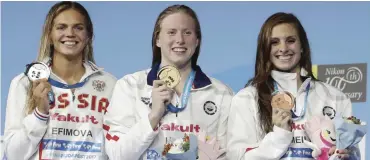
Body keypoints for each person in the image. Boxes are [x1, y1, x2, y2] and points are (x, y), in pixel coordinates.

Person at [103, 4, 233, 160]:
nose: (180, 40)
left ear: (197, 40)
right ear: (157, 39)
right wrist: (153, 116)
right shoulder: (130, 86)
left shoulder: (221, 93)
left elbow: (228, 155)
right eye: (171, 32)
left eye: (187, 33)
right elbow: (118, 154)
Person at [226, 12, 360, 160]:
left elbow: (352, 152)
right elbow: (237, 157)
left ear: (302, 46)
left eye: (290, 40)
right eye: (274, 42)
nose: (283, 48)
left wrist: (347, 156)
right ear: (265, 49)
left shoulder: (335, 97)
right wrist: (280, 136)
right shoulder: (247, 99)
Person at [3, 1, 117, 160]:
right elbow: (13, 154)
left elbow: (118, 148)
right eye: (61, 27)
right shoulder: (24, 83)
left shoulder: (111, 85)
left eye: (78, 27)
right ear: (49, 35)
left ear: (88, 36)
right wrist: (40, 114)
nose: (70, 33)